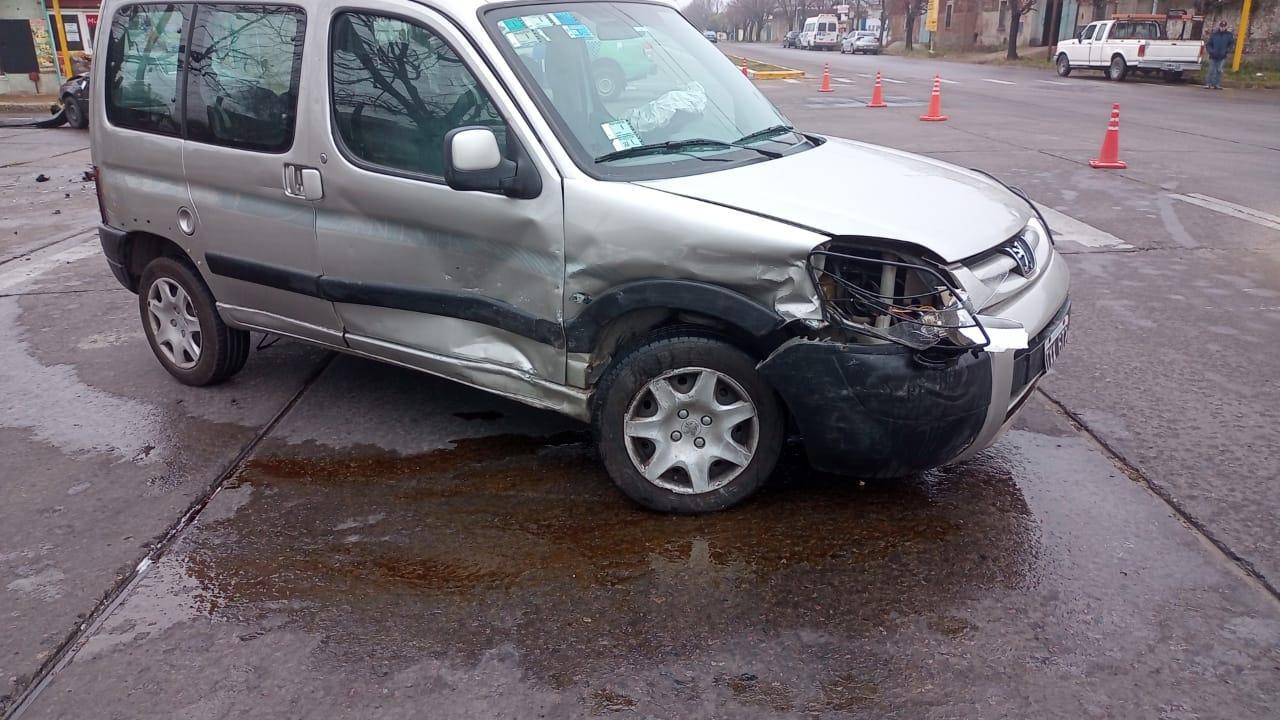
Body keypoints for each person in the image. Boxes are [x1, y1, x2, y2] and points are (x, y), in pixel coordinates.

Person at [1205, 21, 1234, 90]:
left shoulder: (1229, 35)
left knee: (1219, 70)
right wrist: (1211, 51)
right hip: (1213, 55)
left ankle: (1217, 84)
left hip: (1222, 56)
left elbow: (1231, 44)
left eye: (1224, 26)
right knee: (1211, 70)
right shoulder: (1214, 34)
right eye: (1221, 26)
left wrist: (1226, 51)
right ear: (1219, 26)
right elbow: (1209, 44)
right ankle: (1208, 84)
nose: (1222, 28)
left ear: (1226, 27)